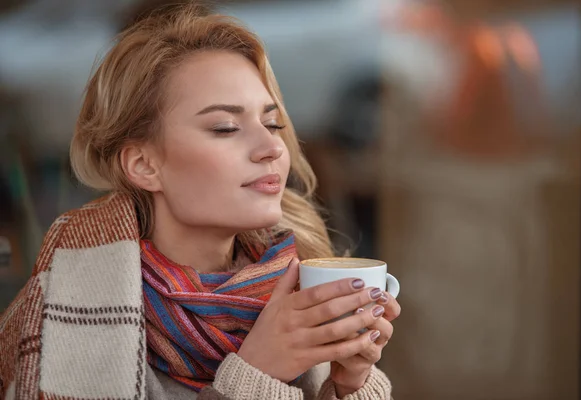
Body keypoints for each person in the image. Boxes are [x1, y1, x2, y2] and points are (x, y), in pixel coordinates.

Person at [0, 3, 400, 399]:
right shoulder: (59, 311)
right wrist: (257, 375)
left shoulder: (295, 285)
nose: (271, 148)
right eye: (225, 127)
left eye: (272, 123)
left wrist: (350, 384)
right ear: (143, 165)